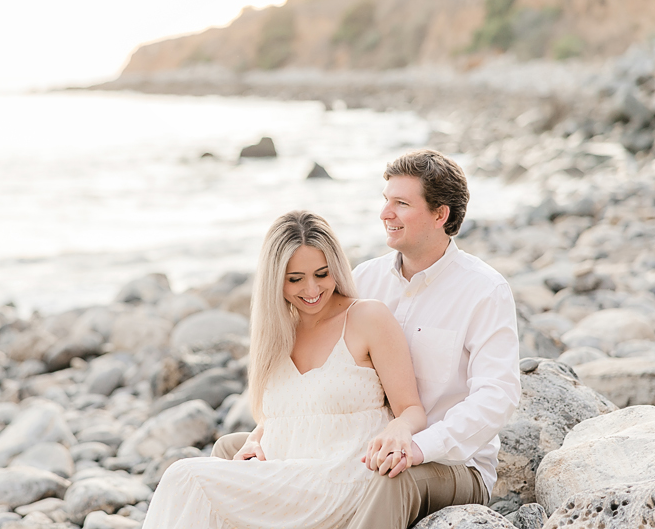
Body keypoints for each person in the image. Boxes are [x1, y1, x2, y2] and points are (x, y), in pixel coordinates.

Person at [213, 149, 521, 529]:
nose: (385, 214)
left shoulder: (483, 290)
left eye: (401, 203)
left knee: (391, 477)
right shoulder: (365, 279)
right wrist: (263, 435)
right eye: (386, 200)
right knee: (232, 451)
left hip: (448, 463)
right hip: (362, 445)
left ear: (440, 214)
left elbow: (497, 396)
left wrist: (420, 446)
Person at [142, 210, 426, 529]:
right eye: (295, 279)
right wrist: (253, 439)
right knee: (196, 494)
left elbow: (412, 409)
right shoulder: (277, 334)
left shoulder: (367, 318)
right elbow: (285, 413)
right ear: (275, 279)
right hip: (286, 477)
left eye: (322, 273)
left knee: (185, 476)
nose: (311, 289)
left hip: (342, 480)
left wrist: (399, 429)